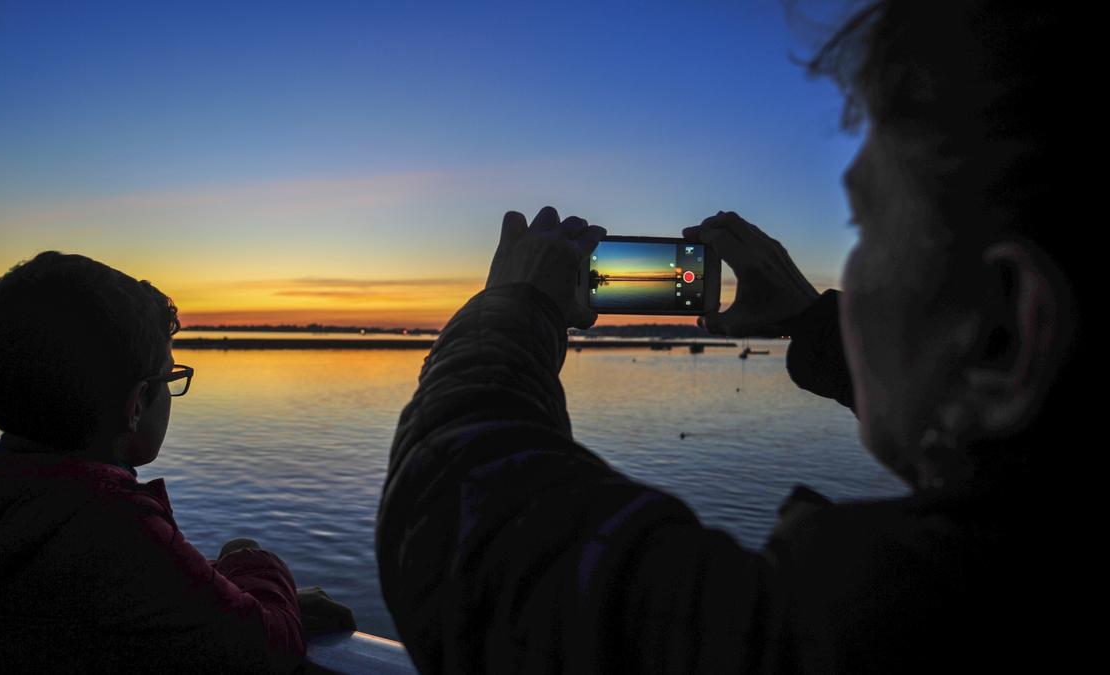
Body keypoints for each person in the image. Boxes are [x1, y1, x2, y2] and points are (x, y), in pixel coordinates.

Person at [378, 1, 1082, 672]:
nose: (851, 275)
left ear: (1004, 332)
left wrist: (519, 304)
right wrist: (811, 324)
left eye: (865, 228)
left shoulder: (872, 630)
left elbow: (458, 521)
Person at [0, 252, 353, 673]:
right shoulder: (106, 524)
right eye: (171, 377)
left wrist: (219, 580)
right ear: (138, 402)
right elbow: (262, 648)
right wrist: (253, 564)